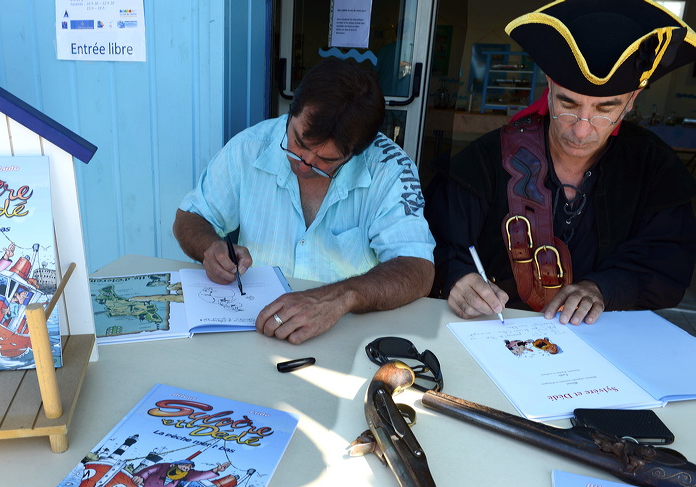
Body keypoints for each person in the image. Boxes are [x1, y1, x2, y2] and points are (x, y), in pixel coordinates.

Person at [425, 0, 696, 326]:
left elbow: (668, 261)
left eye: (604, 109)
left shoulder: (653, 168)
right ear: (550, 89)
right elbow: (433, 242)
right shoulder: (484, 162)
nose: (581, 130)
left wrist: (603, 287)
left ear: (631, 101)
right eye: (568, 104)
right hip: (496, 334)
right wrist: (457, 277)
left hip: (604, 341)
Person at [173, 57, 436, 344]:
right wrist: (210, 248)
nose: (304, 164)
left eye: (326, 160)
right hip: (252, 325)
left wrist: (338, 298)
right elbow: (190, 216)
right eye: (298, 143)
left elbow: (417, 268)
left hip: (348, 335)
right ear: (291, 112)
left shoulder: (390, 170)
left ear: (356, 152)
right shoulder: (249, 147)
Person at [131, 460, 231, 487]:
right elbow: (148, 471)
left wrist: (216, 470)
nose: (187, 468)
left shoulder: (185, 475)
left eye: (189, 467)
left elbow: (200, 475)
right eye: (185, 465)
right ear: (175, 464)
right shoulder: (163, 466)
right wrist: (140, 477)